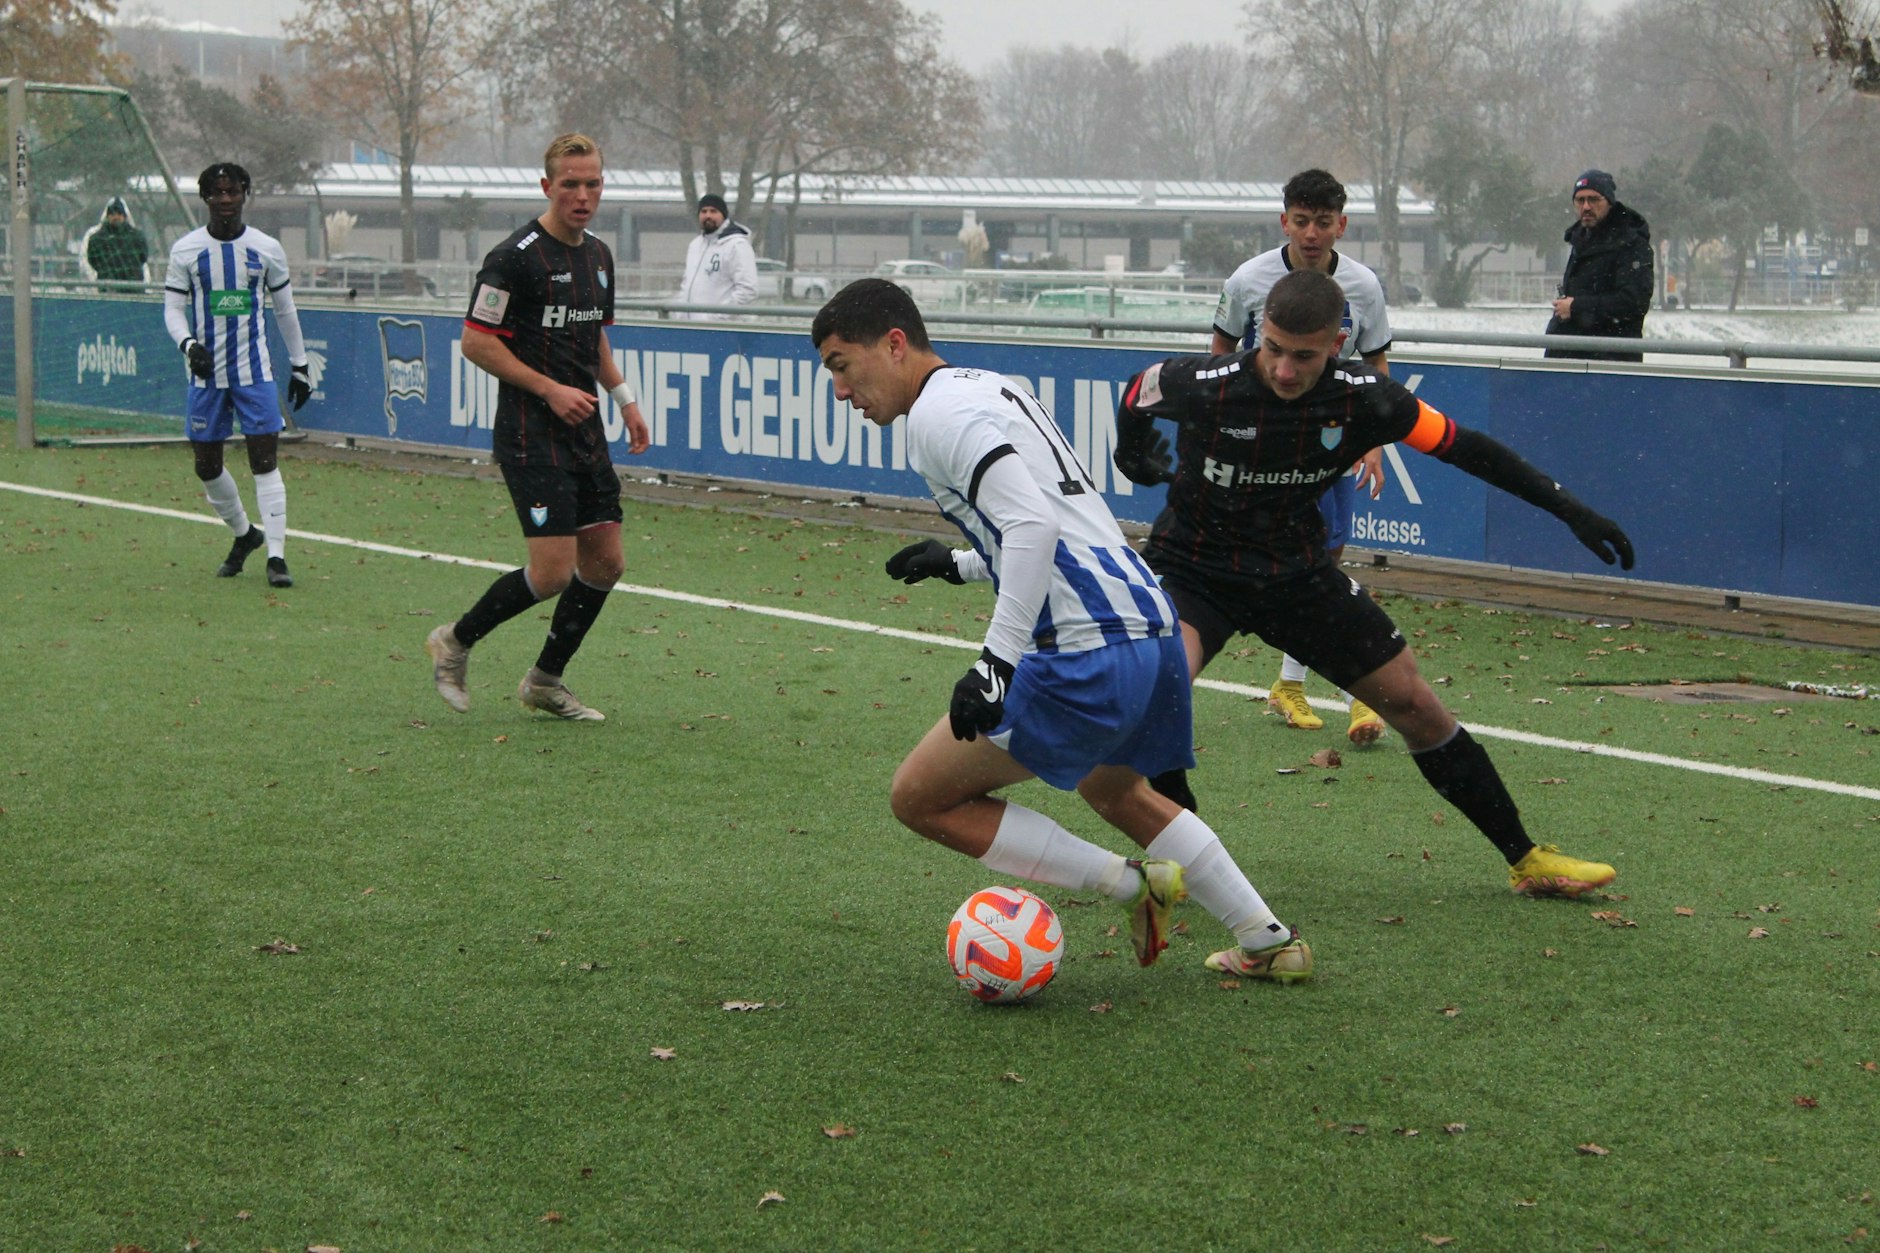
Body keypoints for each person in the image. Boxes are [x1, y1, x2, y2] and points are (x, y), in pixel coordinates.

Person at [812, 277, 1312, 982]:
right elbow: (1056, 524)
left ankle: (1133, 885)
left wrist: (995, 663)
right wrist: (960, 563)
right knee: (1117, 790)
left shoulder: (935, 416)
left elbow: (1032, 524)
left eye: (841, 365)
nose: (840, 391)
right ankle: (1268, 939)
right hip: (1154, 628)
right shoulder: (988, 386)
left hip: (1089, 649)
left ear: (894, 345)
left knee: (919, 798)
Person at [1116, 268, 1636, 899]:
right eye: (1272, 348)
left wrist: (1569, 508)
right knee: (1160, 690)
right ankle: (1194, 863)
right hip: (1193, 566)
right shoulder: (1204, 383)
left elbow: (1468, 448)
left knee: (1417, 704)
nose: (1282, 369)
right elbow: (1136, 391)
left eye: (1302, 356)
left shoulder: (1369, 397)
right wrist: (1131, 451)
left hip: (1296, 573)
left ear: (1336, 345)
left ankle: (1526, 858)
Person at [425, 134, 652, 722]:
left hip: (585, 432)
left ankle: (546, 680)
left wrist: (623, 398)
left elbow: (593, 332)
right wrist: (549, 388)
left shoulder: (599, 256)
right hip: (531, 433)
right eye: (570, 184)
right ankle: (455, 640)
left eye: (593, 183)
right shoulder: (514, 258)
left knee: (606, 563)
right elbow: (476, 342)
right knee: (552, 572)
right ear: (547, 186)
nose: (583, 195)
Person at [1212, 168, 1391, 747]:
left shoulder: (1363, 286)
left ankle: (1293, 681)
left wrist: (1373, 442)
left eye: (1322, 221)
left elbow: (1377, 369)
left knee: (1323, 561)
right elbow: (1217, 354)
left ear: (1341, 225)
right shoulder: (1249, 279)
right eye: (1300, 220)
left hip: (1332, 442)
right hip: (1265, 447)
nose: (1311, 233)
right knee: (1293, 567)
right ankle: (1354, 686)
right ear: (1283, 220)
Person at [163, 163, 312, 589]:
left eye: (233, 191)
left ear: (245, 194)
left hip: (254, 374)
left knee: (264, 462)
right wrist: (189, 345)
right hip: (206, 378)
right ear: (205, 198)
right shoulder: (186, 251)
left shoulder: (266, 248)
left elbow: (285, 310)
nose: (225, 200)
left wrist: (299, 365)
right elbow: (173, 309)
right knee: (206, 466)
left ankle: (278, 559)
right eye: (217, 192)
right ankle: (245, 535)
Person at [1544, 169, 1653, 363]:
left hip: (1611, 363)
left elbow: (1633, 302)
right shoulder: (1580, 240)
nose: (1586, 207)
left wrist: (1576, 307)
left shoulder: (1632, 245)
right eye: (1580, 200)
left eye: (1594, 199)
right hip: (1570, 360)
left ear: (1609, 202)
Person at [675, 192, 757, 318]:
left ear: (723, 215)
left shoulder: (737, 245)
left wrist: (717, 318)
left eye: (713, 211)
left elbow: (747, 290)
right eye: (704, 211)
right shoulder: (695, 245)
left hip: (718, 330)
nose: (708, 215)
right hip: (689, 329)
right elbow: (686, 285)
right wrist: (679, 315)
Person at [85, 197, 149, 289]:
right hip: (108, 286)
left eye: (119, 214)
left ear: (124, 216)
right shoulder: (97, 238)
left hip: (133, 286)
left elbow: (143, 257)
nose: (116, 217)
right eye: (112, 214)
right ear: (107, 216)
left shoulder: (136, 237)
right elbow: (93, 260)